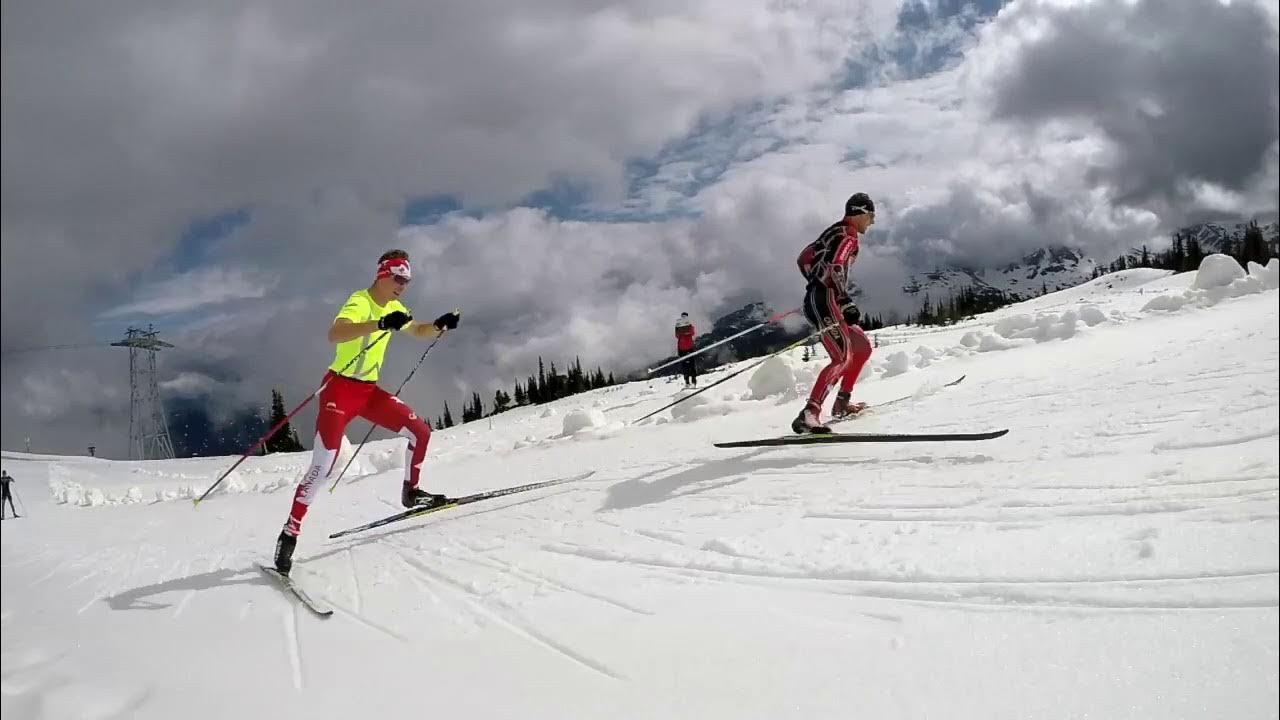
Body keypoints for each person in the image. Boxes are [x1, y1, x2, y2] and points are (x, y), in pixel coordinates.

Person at [274, 249, 461, 575]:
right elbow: (335, 333)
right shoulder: (360, 300)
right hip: (339, 391)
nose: (403, 285)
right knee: (322, 466)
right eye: (399, 278)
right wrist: (377, 323)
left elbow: (416, 330)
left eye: (408, 280)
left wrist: (439, 325)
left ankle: (411, 492)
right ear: (383, 275)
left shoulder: (395, 306)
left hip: (368, 393)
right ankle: (290, 532)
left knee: (421, 432)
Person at [792, 193, 877, 434]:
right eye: (871, 216)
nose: (871, 222)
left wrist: (814, 282)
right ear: (860, 212)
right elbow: (837, 265)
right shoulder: (849, 235)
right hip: (827, 299)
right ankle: (810, 413)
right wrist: (842, 299)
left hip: (820, 297)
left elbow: (803, 259)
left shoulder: (832, 232)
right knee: (841, 357)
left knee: (861, 346)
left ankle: (841, 402)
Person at [674, 312, 698, 387]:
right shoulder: (689, 324)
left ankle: (687, 381)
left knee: (684, 365)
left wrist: (682, 332)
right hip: (690, 346)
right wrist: (687, 332)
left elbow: (677, 336)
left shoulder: (678, 325)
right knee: (692, 364)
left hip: (681, 347)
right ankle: (693, 380)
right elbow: (692, 333)